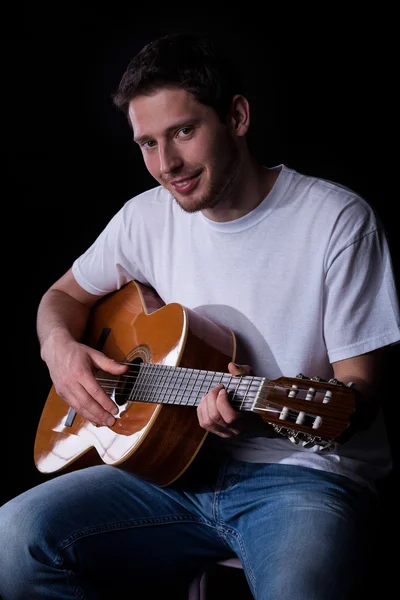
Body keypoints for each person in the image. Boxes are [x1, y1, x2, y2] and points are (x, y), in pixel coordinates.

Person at [0, 32, 399, 600]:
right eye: (147, 143)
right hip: (172, 475)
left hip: (303, 480)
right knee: (15, 538)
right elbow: (59, 299)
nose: (167, 165)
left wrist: (255, 413)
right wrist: (59, 351)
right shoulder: (145, 218)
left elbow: (359, 393)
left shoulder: (336, 221)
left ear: (236, 116)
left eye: (184, 131)